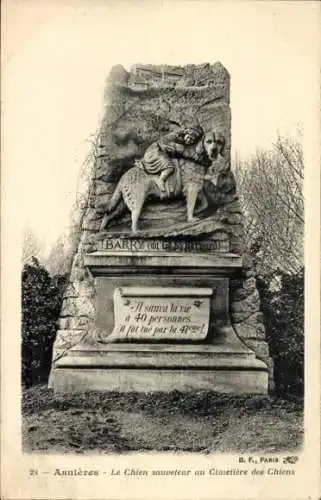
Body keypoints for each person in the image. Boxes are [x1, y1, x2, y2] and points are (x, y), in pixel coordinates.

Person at [140, 125, 205, 194]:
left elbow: (190, 154)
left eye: (192, 140)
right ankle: (161, 179)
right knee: (169, 167)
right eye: (188, 137)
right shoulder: (176, 136)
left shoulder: (182, 145)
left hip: (161, 152)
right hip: (156, 151)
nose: (189, 140)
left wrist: (201, 160)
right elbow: (186, 153)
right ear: (185, 134)